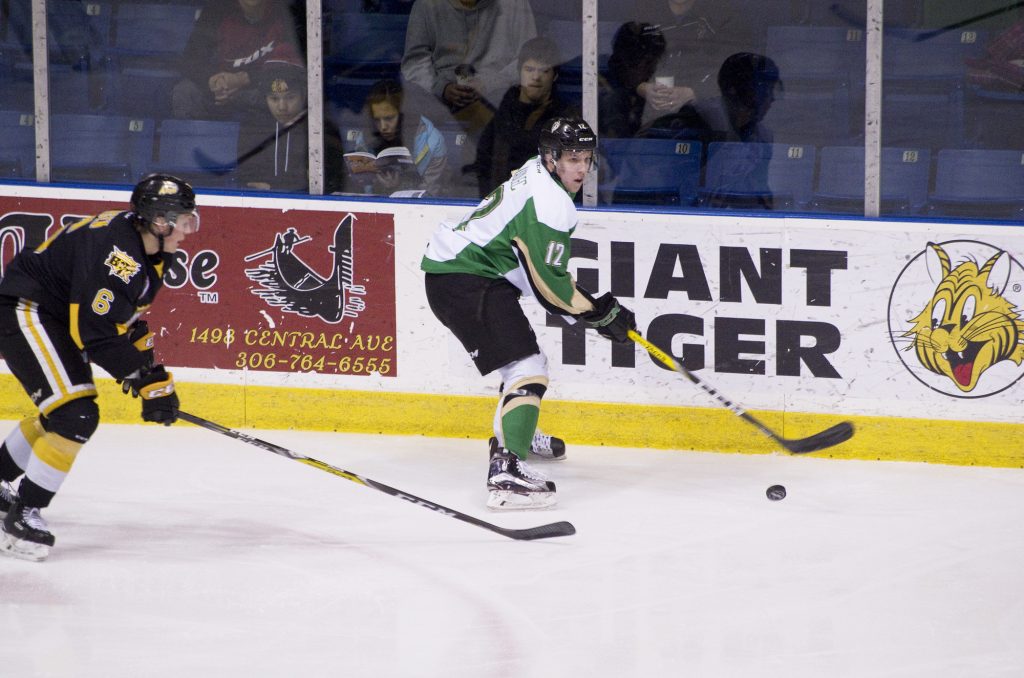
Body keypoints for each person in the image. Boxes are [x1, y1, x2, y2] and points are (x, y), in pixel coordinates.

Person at [421, 117, 637, 510]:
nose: (581, 169)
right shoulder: (551, 204)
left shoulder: (534, 171)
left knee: (521, 365)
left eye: (587, 158)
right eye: (572, 158)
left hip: (462, 272)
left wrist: (593, 309)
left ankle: (516, 431)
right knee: (527, 368)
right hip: (465, 279)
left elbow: (539, 272)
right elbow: (551, 290)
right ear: (551, 158)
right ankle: (506, 471)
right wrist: (602, 316)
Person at [0, 175, 197, 561]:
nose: (189, 230)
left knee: (64, 412)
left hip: (51, 314)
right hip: (27, 310)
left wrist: (147, 372)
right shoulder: (118, 256)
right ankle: (23, 515)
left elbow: (126, 321)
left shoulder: (148, 251)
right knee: (75, 414)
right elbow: (94, 331)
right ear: (159, 221)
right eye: (184, 220)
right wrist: (143, 380)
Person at [401, 0, 537, 140]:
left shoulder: (515, 3)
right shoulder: (426, 4)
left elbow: (530, 60)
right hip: (439, 102)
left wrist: (488, 84)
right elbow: (414, 62)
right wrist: (441, 88)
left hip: (499, 100)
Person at [472, 37, 580, 198]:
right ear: (519, 71)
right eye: (529, 69)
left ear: (555, 76)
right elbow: (482, 164)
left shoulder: (567, 119)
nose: (536, 77)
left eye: (544, 71)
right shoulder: (499, 112)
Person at [630, 0, 759, 129]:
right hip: (650, 125)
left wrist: (695, 93)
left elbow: (738, 72)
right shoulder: (642, 14)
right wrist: (643, 88)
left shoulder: (725, 17)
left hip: (706, 126)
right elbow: (621, 67)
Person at [172, 0, 303, 120]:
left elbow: (295, 67)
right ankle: (197, 143)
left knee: (284, 94)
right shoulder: (216, 9)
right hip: (221, 89)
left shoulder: (286, 8)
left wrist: (245, 79)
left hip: (262, 87)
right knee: (185, 93)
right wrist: (213, 80)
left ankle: (275, 143)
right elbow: (190, 59)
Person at [238, 60, 345, 193]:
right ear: (265, 99)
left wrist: (274, 186)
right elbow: (246, 175)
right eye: (274, 99)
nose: (282, 107)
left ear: (304, 95)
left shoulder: (321, 129)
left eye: (290, 97)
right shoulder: (254, 128)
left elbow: (328, 180)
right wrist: (292, 181)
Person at [345, 79, 448, 196]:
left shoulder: (433, 142)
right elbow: (364, 191)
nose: (383, 127)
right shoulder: (364, 138)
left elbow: (432, 195)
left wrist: (400, 185)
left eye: (389, 118)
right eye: (377, 119)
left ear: (404, 116)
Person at [598, 21, 667, 138]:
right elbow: (614, 145)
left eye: (656, 61)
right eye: (649, 61)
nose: (653, 69)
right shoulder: (611, 98)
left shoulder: (652, 93)